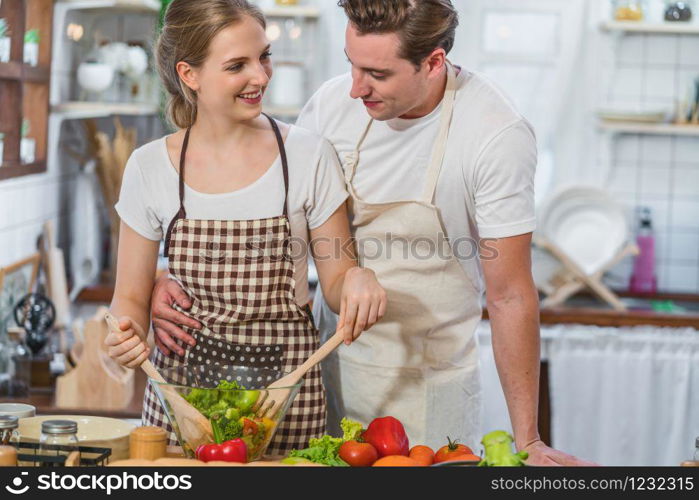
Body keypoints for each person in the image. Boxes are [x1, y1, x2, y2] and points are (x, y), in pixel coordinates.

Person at [150, 0, 593, 465]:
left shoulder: (493, 134)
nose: (356, 89)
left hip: (427, 390)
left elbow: (510, 296)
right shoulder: (330, 105)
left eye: (377, 74)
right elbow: (267, 219)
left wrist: (528, 439)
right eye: (351, 65)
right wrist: (170, 275)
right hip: (321, 377)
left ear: (434, 62)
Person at [103, 0, 386, 456]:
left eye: (264, 56)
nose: (260, 76)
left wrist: (358, 279)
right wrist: (125, 334)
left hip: (287, 400)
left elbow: (336, 280)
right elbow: (129, 300)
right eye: (237, 65)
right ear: (189, 75)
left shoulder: (309, 156)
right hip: (183, 406)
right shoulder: (149, 167)